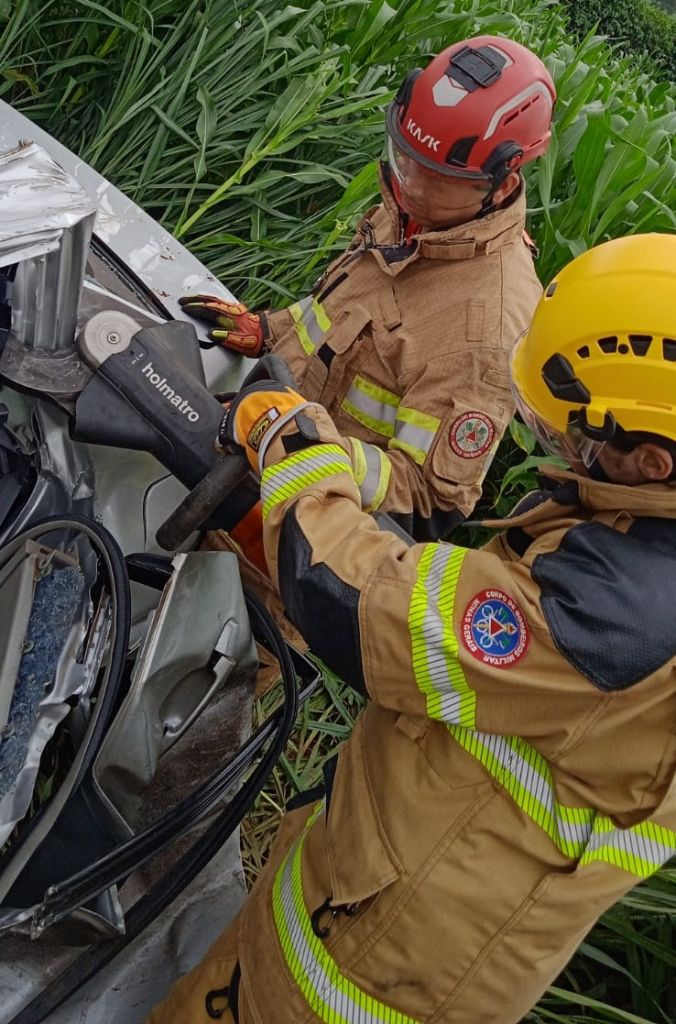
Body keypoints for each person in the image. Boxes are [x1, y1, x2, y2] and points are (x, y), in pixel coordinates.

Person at [147, 232, 676, 1024]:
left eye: (577, 435)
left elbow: (368, 613)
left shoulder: (614, 619)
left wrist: (291, 452)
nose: (562, 452)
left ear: (651, 461)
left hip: (357, 974)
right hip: (373, 890)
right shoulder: (638, 538)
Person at [181, 35, 555, 542]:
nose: (406, 182)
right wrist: (269, 330)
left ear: (501, 186)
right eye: (403, 158)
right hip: (252, 446)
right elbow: (340, 313)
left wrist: (296, 443)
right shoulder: (417, 215)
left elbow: (428, 500)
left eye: (433, 175)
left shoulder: (486, 331)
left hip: (309, 529)